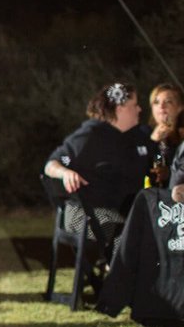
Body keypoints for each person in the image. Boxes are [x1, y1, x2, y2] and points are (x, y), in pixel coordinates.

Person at [44, 82, 150, 239]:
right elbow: (52, 164)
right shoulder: (91, 135)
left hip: (121, 212)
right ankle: (115, 263)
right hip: (81, 214)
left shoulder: (135, 136)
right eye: (134, 105)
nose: (139, 109)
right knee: (129, 236)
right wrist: (65, 172)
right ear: (120, 109)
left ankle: (113, 263)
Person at [147, 83, 183, 187]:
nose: (161, 106)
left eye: (168, 102)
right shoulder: (144, 135)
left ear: (180, 107)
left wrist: (170, 173)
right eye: (156, 102)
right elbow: (156, 159)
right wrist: (153, 142)